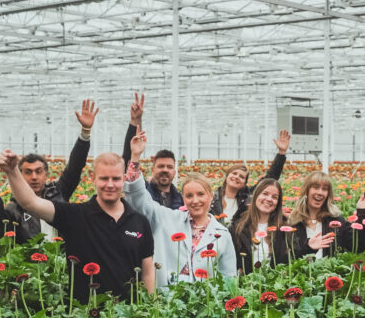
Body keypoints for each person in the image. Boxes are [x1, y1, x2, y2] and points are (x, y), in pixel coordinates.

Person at [0, 149, 155, 303]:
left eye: (116, 179)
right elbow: (30, 202)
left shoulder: (139, 222)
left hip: (129, 317)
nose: (110, 184)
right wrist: (12, 171)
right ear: (93, 178)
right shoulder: (75, 215)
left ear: (124, 179)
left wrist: (148, 307)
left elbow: (147, 272)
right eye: (104, 178)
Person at [126, 128, 235, 287]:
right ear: (183, 199)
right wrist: (135, 157)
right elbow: (138, 200)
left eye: (200, 194)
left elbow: (229, 278)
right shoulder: (167, 218)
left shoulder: (222, 234)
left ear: (211, 196)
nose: (195, 200)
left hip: (205, 306)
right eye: (189, 196)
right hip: (165, 301)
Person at [4, 99, 98, 242]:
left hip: (62, 259)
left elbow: (75, 167)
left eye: (39, 171)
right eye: (28, 172)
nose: (34, 177)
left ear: (46, 174)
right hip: (31, 263)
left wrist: (85, 133)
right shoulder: (13, 209)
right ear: (20, 176)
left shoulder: (59, 192)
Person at [212, 131, 292, 223]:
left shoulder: (250, 195)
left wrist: (281, 153)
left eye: (241, 177)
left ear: (244, 183)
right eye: (234, 173)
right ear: (227, 176)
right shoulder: (213, 198)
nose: (237, 177)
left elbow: (271, 178)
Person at [121, 93, 182, 210]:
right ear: (152, 170)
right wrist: (135, 121)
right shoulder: (143, 190)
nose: (165, 170)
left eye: (169, 167)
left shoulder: (181, 199)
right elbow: (128, 166)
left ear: (174, 172)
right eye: (160, 166)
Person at [286, 171, 355, 259]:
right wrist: (308, 248)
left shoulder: (336, 221)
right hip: (301, 272)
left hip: (330, 272)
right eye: (315, 187)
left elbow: (356, 245)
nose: (320, 192)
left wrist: (363, 212)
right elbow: (288, 256)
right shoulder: (293, 222)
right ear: (306, 190)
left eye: (324, 189)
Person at [231, 178, 290, 273]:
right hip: (244, 285)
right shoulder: (238, 227)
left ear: (277, 203)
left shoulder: (284, 230)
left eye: (274, 197)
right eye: (265, 194)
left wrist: (308, 247)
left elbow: (294, 257)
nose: (269, 199)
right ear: (256, 196)